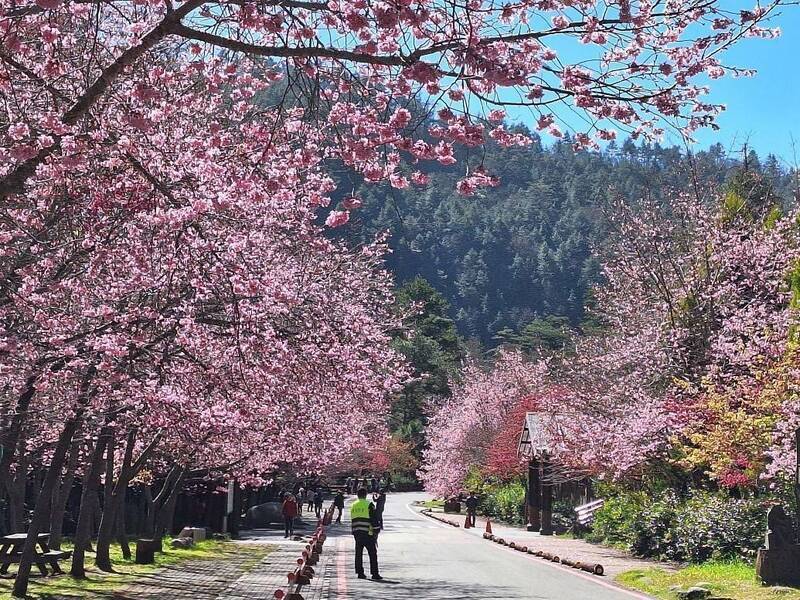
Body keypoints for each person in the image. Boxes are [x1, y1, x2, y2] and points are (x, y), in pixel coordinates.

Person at [350, 487, 381, 580]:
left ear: (357, 495)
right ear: (366, 495)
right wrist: (377, 530)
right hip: (368, 532)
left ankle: (360, 572)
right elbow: (373, 519)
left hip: (356, 531)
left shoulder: (353, 505)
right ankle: (374, 573)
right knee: (372, 553)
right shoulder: (369, 504)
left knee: (358, 553)